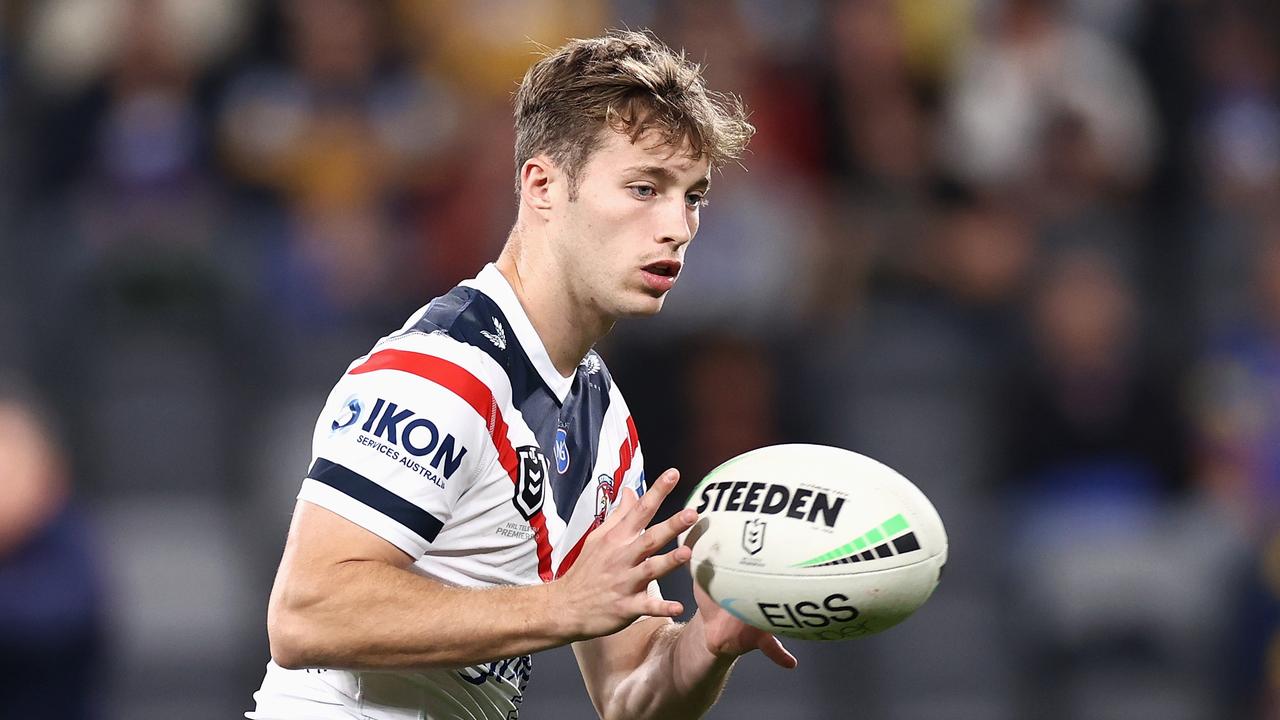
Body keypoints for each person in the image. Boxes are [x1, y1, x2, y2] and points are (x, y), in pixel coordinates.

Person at [248, 29, 797, 720]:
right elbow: (305, 614)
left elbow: (629, 697)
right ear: (542, 185)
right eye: (643, 187)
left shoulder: (605, 422)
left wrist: (707, 646)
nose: (678, 226)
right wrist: (560, 604)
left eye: (692, 195)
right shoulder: (440, 371)